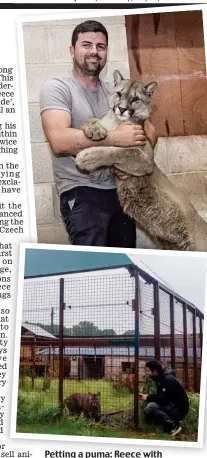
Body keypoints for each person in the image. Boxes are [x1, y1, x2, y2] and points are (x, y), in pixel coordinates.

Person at [39, 20, 157, 247]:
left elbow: (150, 131)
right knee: (94, 266)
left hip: (120, 193)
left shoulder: (116, 90)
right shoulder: (57, 87)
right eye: (87, 44)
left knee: (122, 263)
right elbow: (58, 141)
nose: (94, 51)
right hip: (82, 191)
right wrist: (114, 138)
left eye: (101, 46)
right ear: (72, 50)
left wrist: (131, 163)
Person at [139, 359, 189, 436]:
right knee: (150, 406)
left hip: (179, 410)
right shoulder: (161, 377)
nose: (147, 373)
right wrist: (149, 397)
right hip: (172, 406)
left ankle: (173, 426)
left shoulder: (166, 379)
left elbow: (163, 400)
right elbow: (162, 396)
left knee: (152, 408)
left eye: (148, 371)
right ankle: (160, 427)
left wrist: (148, 397)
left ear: (155, 372)